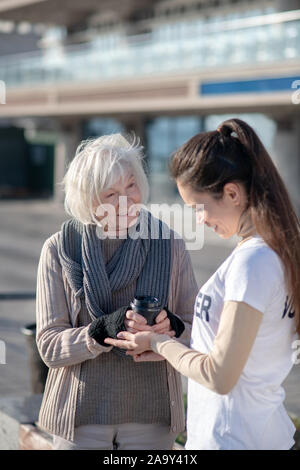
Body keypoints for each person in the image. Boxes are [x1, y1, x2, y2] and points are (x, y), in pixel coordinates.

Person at [105, 119, 300, 450]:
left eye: (199, 208)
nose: (200, 220)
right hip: (260, 434)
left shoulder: (252, 263)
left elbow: (220, 376)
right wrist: (169, 348)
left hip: (231, 438)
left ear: (232, 193)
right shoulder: (276, 254)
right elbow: (237, 356)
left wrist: (157, 342)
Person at [35, 134, 198, 450]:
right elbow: (49, 346)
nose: (126, 201)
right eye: (110, 193)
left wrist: (173, 327)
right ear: (87, 199)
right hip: (80, 422)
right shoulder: (58, 249)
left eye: (131, 186)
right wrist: (100, 332)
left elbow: (199, 332)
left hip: (153, 421)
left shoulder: (171, 244)